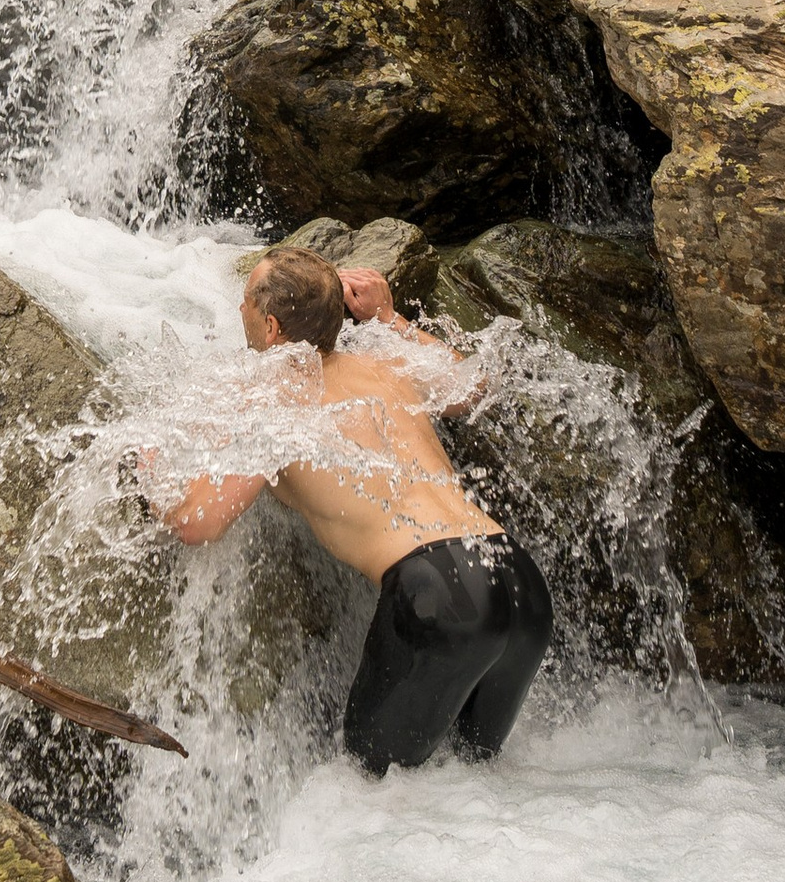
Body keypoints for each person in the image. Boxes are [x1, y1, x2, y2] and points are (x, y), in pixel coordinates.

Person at [148, 243, 554, 776]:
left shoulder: (272, 394)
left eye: (245, 299)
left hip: (442, 594)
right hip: (518, 579)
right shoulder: (385, 363)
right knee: (475, 783)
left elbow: (197, 522)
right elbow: (478, 388)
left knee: (374, 795)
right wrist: (390, 320)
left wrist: (150, 465)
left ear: (270, 328)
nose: (238, 309)